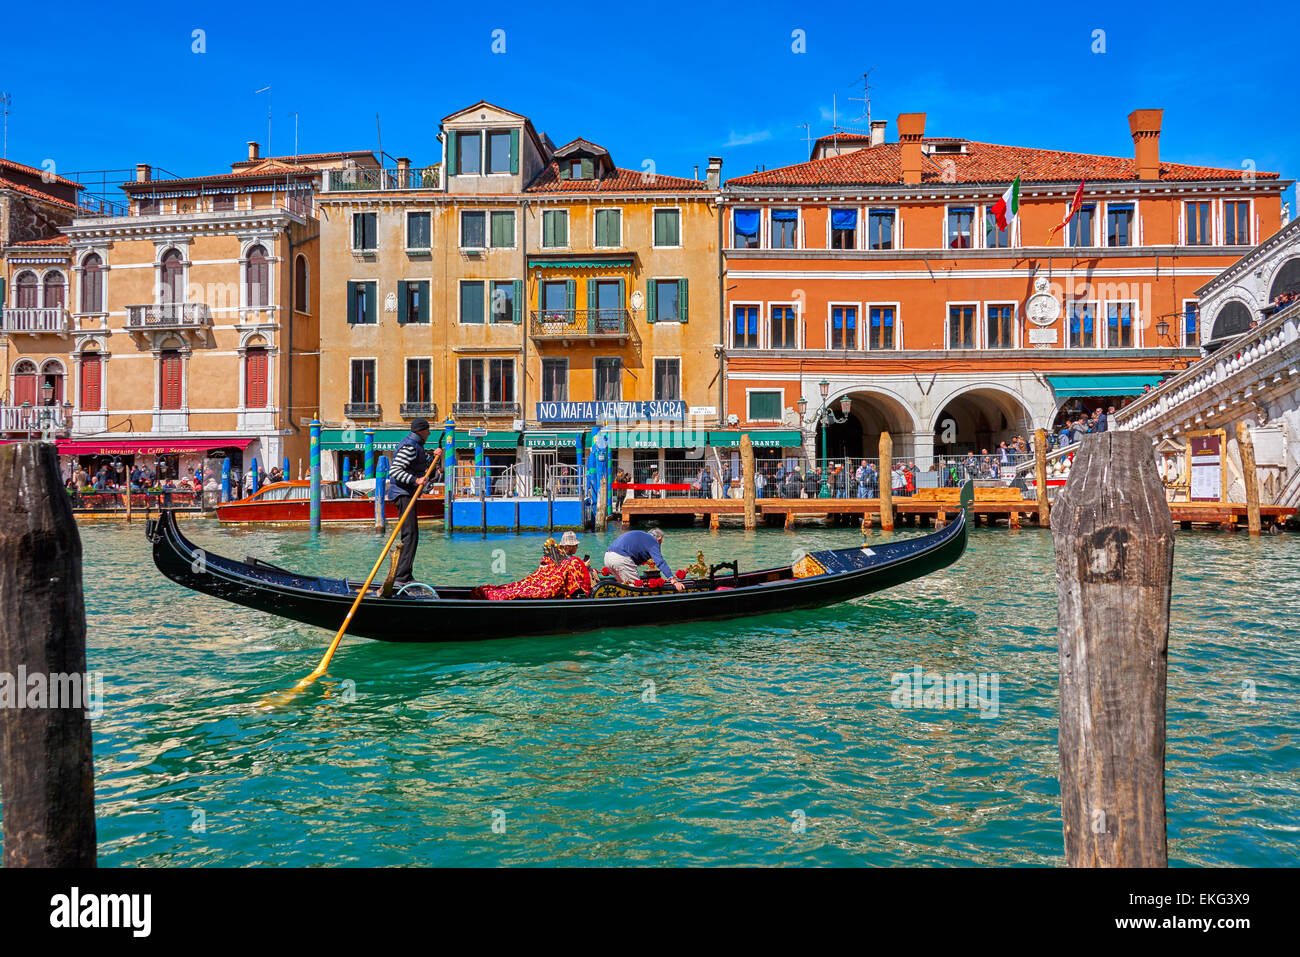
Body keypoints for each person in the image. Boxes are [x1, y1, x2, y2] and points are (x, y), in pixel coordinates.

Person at [386, 418, 435, 588]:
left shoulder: (417, 446)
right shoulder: (409, 446)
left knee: (411, 534)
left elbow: (419, 465)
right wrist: (416, 480)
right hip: (403, 494)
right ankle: (402, 576)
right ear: (421, 431)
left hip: (406, 493)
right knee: (410, 534)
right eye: (427, 430)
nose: (429, 433)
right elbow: (395, 471)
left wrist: (432, 458)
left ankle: (404, 574)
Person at [604, 527, 685, 591]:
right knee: (636, 588)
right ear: (659, 539)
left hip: (607, 557)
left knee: (624, 586)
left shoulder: (642, 536)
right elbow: (660, 562)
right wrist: (673, 580)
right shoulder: (653, 541)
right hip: (621, 558)